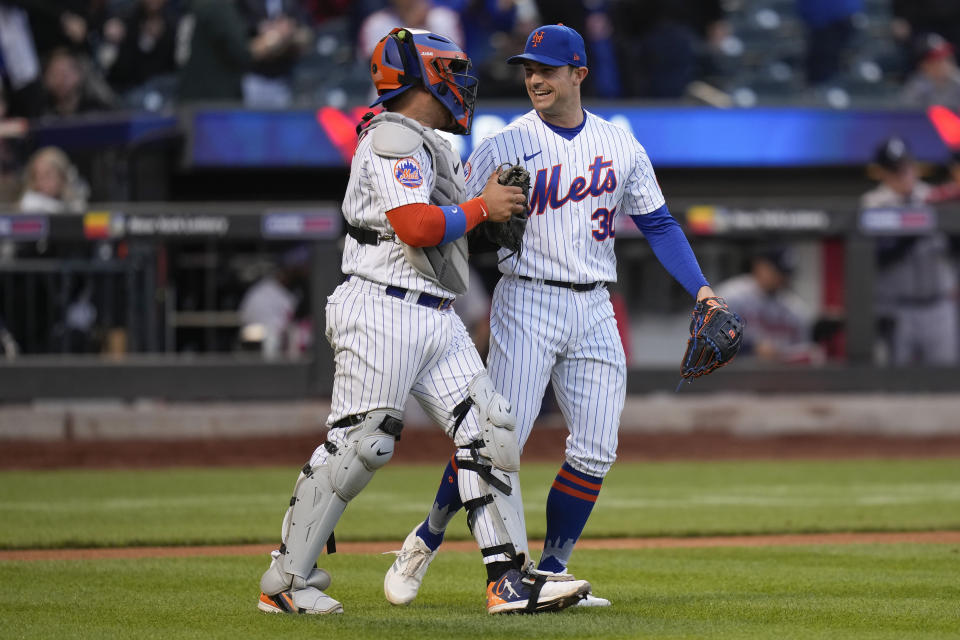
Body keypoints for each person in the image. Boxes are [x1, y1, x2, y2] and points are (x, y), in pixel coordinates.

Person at [256, 26, 591, 616]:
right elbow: (415, 225)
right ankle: (285, 580)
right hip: (381, 307)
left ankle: (508, 580)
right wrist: (483, 206)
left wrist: (490, 214)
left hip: (434, 311)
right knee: (362, 445)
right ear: (424, 77)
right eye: (453, 71)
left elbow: (449, 232)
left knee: (489, 429)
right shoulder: (391, 137)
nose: (465, 82)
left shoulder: (428, 141)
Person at [385, 23, 722, 608]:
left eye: (545, 68)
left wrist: (703, 291)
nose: (534, 78)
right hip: (528, 297)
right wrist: (480, 217)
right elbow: (456, 218)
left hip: (595, 304)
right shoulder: (504, 142)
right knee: (494, 441)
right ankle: (427, 536)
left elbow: (660, 224)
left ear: (578, 74)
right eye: (527, 69)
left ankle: (551, 572)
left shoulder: (620, 145)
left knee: (595, 447)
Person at [861, 136, 958, 366]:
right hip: (898, 309)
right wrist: (918, 220)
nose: (904, 174)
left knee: (945, 378)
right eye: (895, 169)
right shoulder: (873, 203)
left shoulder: (932, 196)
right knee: (896, 380)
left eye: (907, 166)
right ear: (882, 172)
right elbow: (880, 255)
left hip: (938, 305)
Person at [715, 246, 818, 364]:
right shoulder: (730, 296)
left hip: (779, 377)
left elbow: (803, 351)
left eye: (786, 273)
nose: (782, 278)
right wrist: (750, 348)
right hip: (732, 375)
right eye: (776, 271)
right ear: (759, 266)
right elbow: (707, 340)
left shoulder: (795, 309)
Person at [900, 33, 960, 109]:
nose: (946, 62)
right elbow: (907, 115)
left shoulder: (957, 80)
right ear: (924, 65)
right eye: (938, 59)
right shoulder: (915, 86)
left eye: (947, 57)